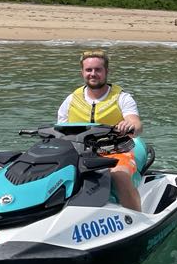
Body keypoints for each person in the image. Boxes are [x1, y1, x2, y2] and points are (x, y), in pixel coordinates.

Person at [57, 48, 144, 211]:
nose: (93, 74)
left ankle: (137, 217)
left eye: (98, 70)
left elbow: (136, 124)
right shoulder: (71, 100)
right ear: (82, 72)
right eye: (88, 70)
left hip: (117, 149)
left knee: (119, 175)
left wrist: (129, 125)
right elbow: (60, 132)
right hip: (81, 152)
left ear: (106, 72)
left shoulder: (122, 97)